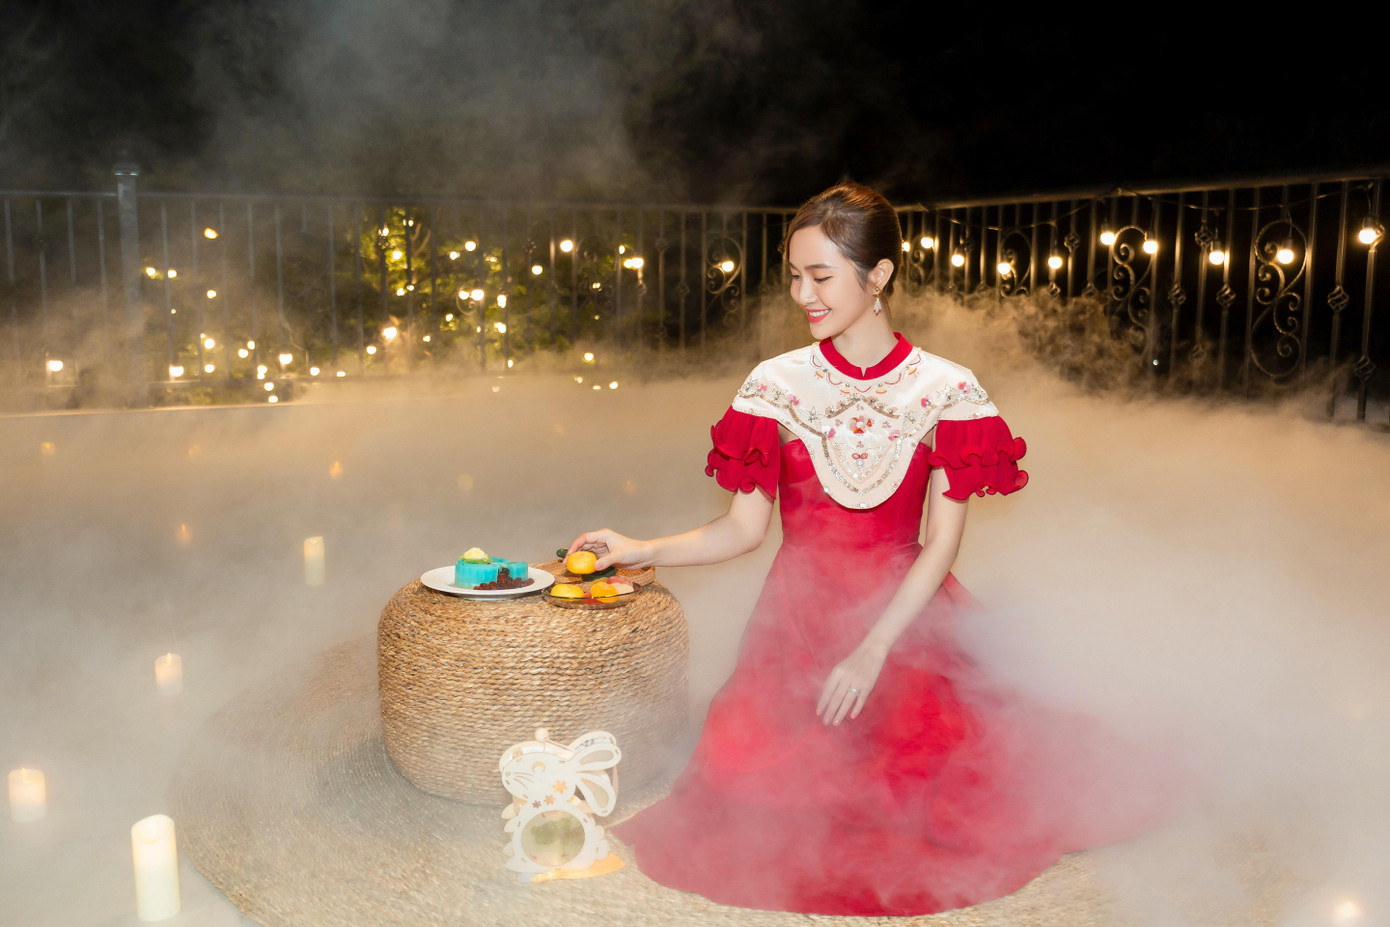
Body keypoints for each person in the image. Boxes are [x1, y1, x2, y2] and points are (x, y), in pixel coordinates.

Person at [567, 182, 1111, 916]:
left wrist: (873, 648)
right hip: (794, 623)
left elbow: (940, 545)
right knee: (751, 808)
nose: (803, 295)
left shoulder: (948, 390)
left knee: (939, 808)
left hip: (906, 621)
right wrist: (641, 546)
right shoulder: (774, 386)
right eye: (795, 275)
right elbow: (743, 529)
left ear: (878, 275)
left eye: (821, 276)